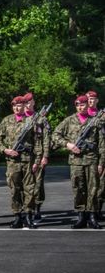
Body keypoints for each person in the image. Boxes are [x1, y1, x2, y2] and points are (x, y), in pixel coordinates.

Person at [52, 95, 104, 229]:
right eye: (78, 105)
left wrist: (101, 163)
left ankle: (92, 215)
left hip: (92, 159)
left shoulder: (96, 121)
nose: (80, 107)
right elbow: (55, 135)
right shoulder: (69, 121)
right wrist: (67, 144)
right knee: (78, 188)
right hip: (76, 161)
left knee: (93, 188)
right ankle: (81, 215)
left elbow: (102, 144)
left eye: (83, 104)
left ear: (88, 105)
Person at [0, 96, 40, 229]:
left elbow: (38, 142)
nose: (16, 108)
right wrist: (5, 150)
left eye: (19, 105)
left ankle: (28, 216)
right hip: (12, 162)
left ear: (24, 106)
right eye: (14, 106)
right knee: (15, 189)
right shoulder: (6, 120)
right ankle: (17, 216)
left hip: (28, 160)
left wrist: (37, 160)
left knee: (29, 190)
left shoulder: (31, 121)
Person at [23, 92, 51, 220]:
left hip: (38, 155)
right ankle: (26, 208)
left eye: (30, 102)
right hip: (23, 156)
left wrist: (45, 156)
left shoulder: (41, 119)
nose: (28, 104)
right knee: (24, 184)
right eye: (26, 102)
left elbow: (46, 138)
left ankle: (37, 208)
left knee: (38, 183)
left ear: (34, 102)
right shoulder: (19, 119)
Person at [86, 91, 105, 219]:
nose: (90, 101)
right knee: (86, 185)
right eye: (88, 99)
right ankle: (87, 212)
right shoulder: (81, 116)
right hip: (88, 156)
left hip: (102, 153)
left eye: (93, 99)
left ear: (97, 100)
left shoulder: (102, 116)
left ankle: (97, 210)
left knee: (102, 185)